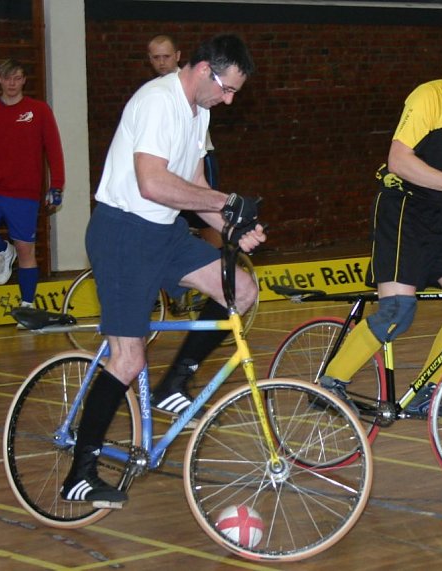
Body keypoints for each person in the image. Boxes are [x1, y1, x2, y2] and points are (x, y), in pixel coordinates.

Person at [60, 34, 263, 505]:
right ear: (201, 70)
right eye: (227, 89)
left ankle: (176, 381)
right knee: (128, 360)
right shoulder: (157, 102)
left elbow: (191, 182)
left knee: (242, 290)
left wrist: (230, 227)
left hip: (165, 232)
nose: (229, 100)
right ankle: (80, 471)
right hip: (124, 234)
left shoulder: (200, 111)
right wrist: (226, 203)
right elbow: (152, 184)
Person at [318, 26, 442, 422]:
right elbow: (399, 160)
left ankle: (426, 391)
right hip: (405, 211)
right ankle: (330, 383)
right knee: (399, 311)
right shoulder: (428, 97)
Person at [0, 59, 65, 307]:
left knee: (27, 250)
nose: (12, 84)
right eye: (7, 79)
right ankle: (4, 251)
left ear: (24, 80)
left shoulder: (39, 110)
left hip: (24, 194)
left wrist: (56, 185)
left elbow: (54, 150)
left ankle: (27, 306)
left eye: (17, 78)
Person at [148, 33, 223, 247]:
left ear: (178, 56)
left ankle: (221, 265)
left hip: (200, 158)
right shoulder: (156, 90)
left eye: (166, 56)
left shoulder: (191, 87)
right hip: (171, 163)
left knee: (204, 218)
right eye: (156, 57)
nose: (162, 62)